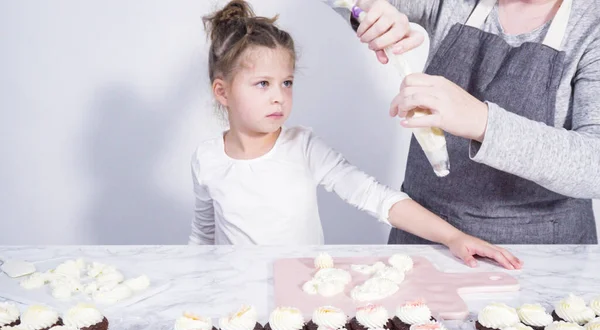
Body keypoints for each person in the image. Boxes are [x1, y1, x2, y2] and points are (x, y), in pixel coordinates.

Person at [189, 0, 522, 269]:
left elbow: (375, 196)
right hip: (233, 298)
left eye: (286, 83)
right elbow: (203, 240)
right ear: (222, 92)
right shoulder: (206, 159)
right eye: (263, 83)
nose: (279, 96)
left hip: (299, 292)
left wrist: (453, 237)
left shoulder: (301, 147)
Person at [326, 0, 600, 244]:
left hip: (538, 252)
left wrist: (481, 121)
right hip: (425, 237)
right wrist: (367, 10)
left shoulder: (591, 25)